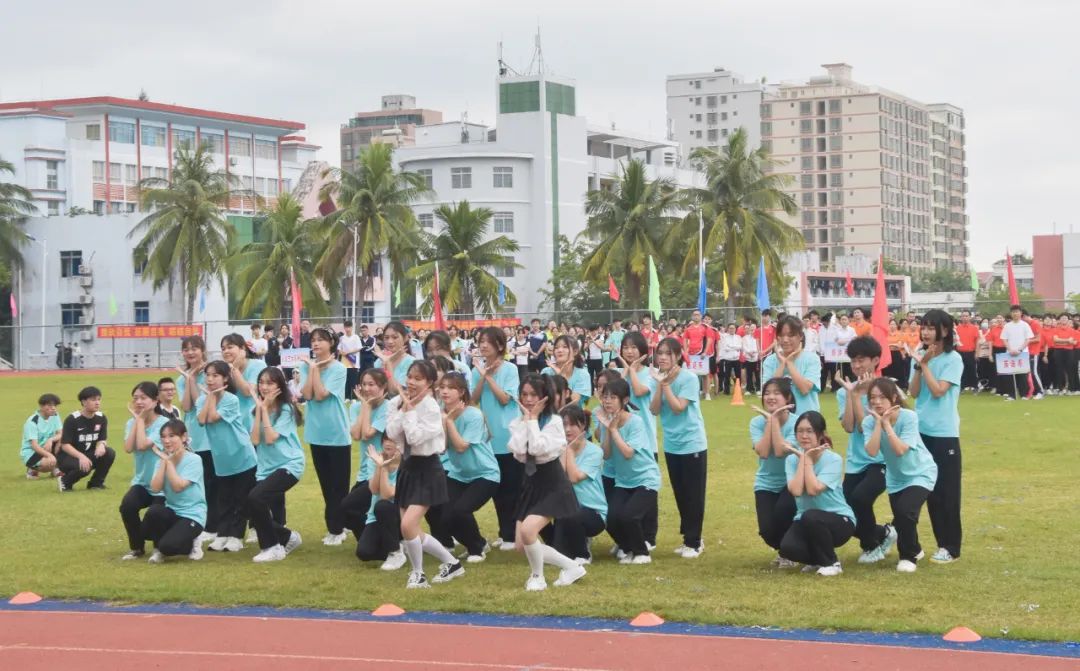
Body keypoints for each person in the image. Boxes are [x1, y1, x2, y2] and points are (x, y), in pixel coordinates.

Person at [386, 360, 463, 588]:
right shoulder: (396, 402)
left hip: (428, 468)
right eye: (410, 377)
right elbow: (391, 433)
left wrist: (409, 413)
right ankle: (452, 563)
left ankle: (418, 574)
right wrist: (404, 409)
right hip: (407, 468)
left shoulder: (431, 408)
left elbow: (414, 438)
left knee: (408, 525)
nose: (412, 382)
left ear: (429, 383)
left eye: (418, 379)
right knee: (410, 529)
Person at [508, 374, 586, 590]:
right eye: (524, 394)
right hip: (531, 483)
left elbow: (536, 449)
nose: (528, 399)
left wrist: (532, 420)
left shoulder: (554, 422)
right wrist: (528, 421)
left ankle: (538, 577)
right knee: (521, 544)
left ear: (545, 397)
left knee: (528, 531)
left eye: (534, 395)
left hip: (553, 484)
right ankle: (572, 567)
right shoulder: (518, 421)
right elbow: (517, 451)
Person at [863, 378, 939, 573]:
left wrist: (887, 425)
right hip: (896, 477)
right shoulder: (869, 422)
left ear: (894, 398)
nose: (877, 402)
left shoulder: (908, 417)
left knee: (906, 511)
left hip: (921, 472)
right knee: (902, 516)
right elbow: (871, 451)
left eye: (882, 397)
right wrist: (878, 424)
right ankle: (916, 549)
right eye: (873, 398)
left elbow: (900, 450)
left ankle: (907, 557)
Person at [908, 308, 963, 564]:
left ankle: (950, 547)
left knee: (947, 492)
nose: (926, 332)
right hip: (922, 431)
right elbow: (914, 392)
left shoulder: (953, 359)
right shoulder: (920, 355)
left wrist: (925, 365)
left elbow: (939, 391)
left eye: (932, 328)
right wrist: (920, 366)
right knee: (929, 491)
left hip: (944, 433)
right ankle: (940, 543)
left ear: (945, 330)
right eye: (924, 327)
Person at [836, 336, 894, 564]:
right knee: (844, 509)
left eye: (861, 360)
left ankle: (870, 546)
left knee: (860, 498)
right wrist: (852, 394)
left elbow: (864, 427)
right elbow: (849, 427)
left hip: (881, 459)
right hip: (856, 460)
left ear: (875, 360)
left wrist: (862, 395)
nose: (857, 365)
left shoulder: (885, 391)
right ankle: (883, 533)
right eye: (853, 361)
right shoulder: (846, 391)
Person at [649, 337, 708, 558]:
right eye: (660, 353)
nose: (663, 357)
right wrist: (660, 384)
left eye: (668, 353)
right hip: (672, 444)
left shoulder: (688, 378)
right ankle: (688, 538)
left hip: (692, 443)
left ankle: (694, 542)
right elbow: (654, 409)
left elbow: (678, 407)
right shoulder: (658, 379)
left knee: (694, 494)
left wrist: (664, 385)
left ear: (677, 355)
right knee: (681, 493)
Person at [778, 411, 855, 576]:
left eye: (810, 431)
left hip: (839, 519)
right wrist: (803, 460)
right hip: (806, 519)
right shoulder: (791, 460)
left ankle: (831, 563)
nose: (804, 436)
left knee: (811, 516)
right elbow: (796, 491)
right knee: (787, 548)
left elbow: (813, 489)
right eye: (800, 431)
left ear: (821, 435)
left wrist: (807, 461)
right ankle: (817, 560)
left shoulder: (833, 459)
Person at [468, 326, 522, 550]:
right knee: (497, 490)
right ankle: (504, 532)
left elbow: (504, 399)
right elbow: (473, 400)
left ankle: (512, 535)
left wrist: (488, 377)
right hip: (489, 439)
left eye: (487, 342)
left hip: (508, 437)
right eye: (480, 341)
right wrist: (482, 376)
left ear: (500, 345)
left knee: (512, 489)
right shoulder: (477, 371)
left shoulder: (510, 369)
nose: (482, 345)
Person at [196, 360, 258, 553]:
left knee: (240, 499)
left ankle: (236, 537)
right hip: (221, 459)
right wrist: (209, 397)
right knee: (224, 499)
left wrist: (211, 397)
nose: (210, 379)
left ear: (225, 379)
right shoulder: (201, 400)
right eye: (208, 375)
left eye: (215, 375)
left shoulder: (231, 400)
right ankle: (222, 534)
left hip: (241, 455)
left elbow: (213, 417)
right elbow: (201, 420)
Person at [598, 377, 661, 565]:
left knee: (629, 516)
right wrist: (608, 429)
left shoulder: (636, 422)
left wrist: (614, 430)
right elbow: (606, 454)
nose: (607, 401)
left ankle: (642, 553)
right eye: (605, 397)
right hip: (623, 481)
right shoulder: (607, 422)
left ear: (625, 400)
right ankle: (628, 548)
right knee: (609, 518)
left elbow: (627, 453)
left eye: (612, 397)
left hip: (645, 479)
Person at [246, 367, 305, 562]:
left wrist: (264, 410)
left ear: (280, 386)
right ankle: (287, 538)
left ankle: (272, 547)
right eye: (261, 382)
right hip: (266, 468)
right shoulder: (256, 409)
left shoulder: (286, 409)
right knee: (256, 506)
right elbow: (255, 440)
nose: (264, 387)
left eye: (270, 383)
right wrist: (260, 410)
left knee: (255, 498)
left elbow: (270, 438)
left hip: (289, 464)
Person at [440, 372, 500, 563]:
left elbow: (460, 446)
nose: (445, 391)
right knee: (444, 515)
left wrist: (449, 422)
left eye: (451, 388)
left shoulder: (473, 414)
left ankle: (476, 549)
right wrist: (444, 421)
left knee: (461, 510)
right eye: (442, 387)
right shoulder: (442, 413)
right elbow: (441, 447)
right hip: (459, 473)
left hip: (485, 474)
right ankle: (479, 542)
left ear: (461, 392)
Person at [300, 327, 352, 546]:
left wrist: (314, 370)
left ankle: (337, 529)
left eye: (321, 340)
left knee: (338, 485)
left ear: (331, 343)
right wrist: (312, 368)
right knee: (325, 484)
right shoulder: (306, 366)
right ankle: (337, 525)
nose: (316, 343)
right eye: (313, 340)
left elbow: (321, 395)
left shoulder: (339, 368)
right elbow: (307, 394)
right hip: (316, 433)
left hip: (336, 433)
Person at [748, 378, 798, 566]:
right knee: (767, 530)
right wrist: (771, 421)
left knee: (784, 511)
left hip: (792, 481)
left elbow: (779, 451)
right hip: (766, 482)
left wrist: (773, 420)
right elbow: (762, 451)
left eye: (777, 393)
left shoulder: (797, 423)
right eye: (767, 393)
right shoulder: (756, 423)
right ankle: (787, 550)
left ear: (788, 398)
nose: (770, 397)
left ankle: (793, 552)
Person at [141, 419, 206, 563]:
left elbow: (178, 487)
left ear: (184, 437)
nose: (166, 441)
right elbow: (155, 488)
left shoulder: (194, 460)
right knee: (154, 512)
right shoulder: (161, 461)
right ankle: (159, 549)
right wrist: (164, 462)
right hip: (173, 510)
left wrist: (168, 463)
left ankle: (193, 541)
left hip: (193, 515)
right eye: (163, 437)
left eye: (171, 436)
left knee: (169, 547)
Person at [341, 368, 391, 549]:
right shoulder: (356, 407)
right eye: (364, 384)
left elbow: (368, 433)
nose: (367, 389)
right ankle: (370, 543)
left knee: (350, 506)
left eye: (372, 384)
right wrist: (364, 406)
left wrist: (367, 406)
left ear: (383, 387)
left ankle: (381, 543)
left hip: (383, 470)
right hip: (365, 471)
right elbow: (356, 435)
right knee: (350, 511)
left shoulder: (389, 407)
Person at [119, 381, 169, 560]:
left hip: (161, 483)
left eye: (143, 398)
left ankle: (159, 549)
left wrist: (139, 420)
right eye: (135, 398)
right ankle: (137, 548)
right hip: (142, 481)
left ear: (155, 401)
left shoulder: (164, 424)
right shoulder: (131, 422)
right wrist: (137, 421)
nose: (138, 402)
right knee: (127, 506)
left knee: (154, 514)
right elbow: (128, 448)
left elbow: (142, 445)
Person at [551, 404, 606, 564]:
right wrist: (565, 449)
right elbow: (557, 480)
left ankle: (583, 554)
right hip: (565, 510)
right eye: (564, 425)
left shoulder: (595, 452)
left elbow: (574, 478)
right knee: (559, 553)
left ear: (582, 425)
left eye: (572, 424)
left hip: (593, 513)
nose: (567, 429)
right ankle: (555, 544)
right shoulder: (557, 449)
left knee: (573, 514)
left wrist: (569, 451)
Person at [175, 336, 216, 544]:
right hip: (193, 436)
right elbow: (187, 406)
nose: (190, 353)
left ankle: (214, 526)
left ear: (203, 350)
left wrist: (194, 378)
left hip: (211, 433)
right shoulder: (182, 379)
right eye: (186, 349)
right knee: (200, 483)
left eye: (194, 348)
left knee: (213, 482)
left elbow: (203, 401)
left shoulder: (212, 374)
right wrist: (190, 378)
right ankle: (205, 523)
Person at [355, 436, 404, 567]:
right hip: (376, 516)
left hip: (400, 514)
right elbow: (374, 489)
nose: (388, 443)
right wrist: (380, 466)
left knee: (382, 506)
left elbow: (386, 495)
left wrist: (384, 468)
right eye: (385, 440)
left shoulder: (406, 465)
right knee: (363, 552)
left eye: (392, 440)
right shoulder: (376, 460)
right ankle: (399, 546)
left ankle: (396, 552)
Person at [57, 386, 114, 492]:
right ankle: (65, 481)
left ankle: (96, 484)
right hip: (68, 457)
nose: (97, 403)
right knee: (84, 466)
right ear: (83, 402)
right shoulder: (72, 419)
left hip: (87, 453)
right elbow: (65, 445)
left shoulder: (101, 418)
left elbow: (102, 438)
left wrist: (101, 445)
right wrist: (81, 457)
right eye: (93, 400)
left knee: (109, 453)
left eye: (99, 399)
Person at [762, 316, 822, 415]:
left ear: (800, 336)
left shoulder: (812, 359)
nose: (785, 340)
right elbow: (769, 392)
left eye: (791, 335)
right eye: (781, 335)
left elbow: (804, 389)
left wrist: (789, 363)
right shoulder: (770, 361)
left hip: (806, 419)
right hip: (779, 419)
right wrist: (782, 364)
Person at [221, 333, 268, 431]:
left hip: (253, 423)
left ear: (242, 349)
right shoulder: (224, 370)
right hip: (233, 424)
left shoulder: (258, 365)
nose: (226, 351)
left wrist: (235, 369)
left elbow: (248, 392)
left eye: (230, 347)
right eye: (223, 349)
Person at [22, 393, 63, 479]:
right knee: (49, 463)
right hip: (32, 453)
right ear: (41, 406)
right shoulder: (33, 421)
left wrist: (51, 440)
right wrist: (49, 456)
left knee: (64, 442)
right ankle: (32, 469)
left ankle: (55, 469)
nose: (53, 408)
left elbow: (61, 433)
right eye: (50, 405)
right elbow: (34, 445)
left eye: (55, 405)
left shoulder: (55, 415)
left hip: (47, 447)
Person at [543, 335, 591, 407]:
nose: (559, 350)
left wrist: (562, 377)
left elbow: (574, 402)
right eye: (556, 348)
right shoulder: (546, 372)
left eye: (565, 347)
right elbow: (544, 399)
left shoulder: (582, 374)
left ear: (575, 351)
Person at [999, 305, 1034, 400]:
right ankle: (1012, 395)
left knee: (1023, 375)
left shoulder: (1025, 325)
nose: (1015, 314)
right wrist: (1010, 349)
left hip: (1022, 353)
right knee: (1009, 376)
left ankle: (1024, 395)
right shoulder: (1007, 326)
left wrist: (1020, 350)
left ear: (1021, 313)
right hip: (1009, 353)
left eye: (1017, 311)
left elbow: (1028, 339)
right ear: (1011, 313)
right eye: (1013, 312)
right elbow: (1004, 339)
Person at [375, 321, 416, 397]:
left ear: (405, 338)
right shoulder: (378, 361)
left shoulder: (412, 362)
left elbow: (394, 391)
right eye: (386, 338)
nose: (390, 341)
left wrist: (388, 363)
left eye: (395, 337)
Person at [682, 310, 712, 400]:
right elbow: (685, 340)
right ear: (692, 316)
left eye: (698, 315)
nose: (696, 316)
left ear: (701, 316)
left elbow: (709, 340)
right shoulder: (688, 328)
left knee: (705, 374)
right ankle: (694, 392)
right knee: (692, 374)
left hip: (702, 354)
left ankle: (707, 393)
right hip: (691, 354)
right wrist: (685, 351)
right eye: (694, 315)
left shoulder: (705, 327)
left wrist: (705, 351)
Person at [338, 320, 363, 400]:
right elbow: (339, 349)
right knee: (346, 381)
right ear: (344, 328)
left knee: (354, 381)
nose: (347, 329)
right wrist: (342, 353)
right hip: (344, 362)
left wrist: (348, 353)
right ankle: (347, 397)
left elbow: (359, 348)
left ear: (352, 327)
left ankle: (355, 398)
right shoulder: (342, 338)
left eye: (349, 327)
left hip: (353, 362)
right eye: (346, 327)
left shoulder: (356, 337)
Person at [955, 311, 979, 391]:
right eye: (963, 316)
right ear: (961, 318)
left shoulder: (974, 328)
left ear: (970, 317)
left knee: (972, 370)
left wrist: (977, 352)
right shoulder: (957, 328)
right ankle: (961, 386)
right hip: (960, 352)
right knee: (961, 370)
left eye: (966, 316)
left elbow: (977, 341)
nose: (965, 318)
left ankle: (975, 386)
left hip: (971, 352)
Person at [718, 323, 742, 395]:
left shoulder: (738, 337)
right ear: (728, 329)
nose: (732, 330)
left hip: (736, 359)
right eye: (730, 328)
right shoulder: (725, 338)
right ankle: (726, 391)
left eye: (733, 328)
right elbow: (726, 348)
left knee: (738, 375)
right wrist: (735, 347)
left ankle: (738, 389)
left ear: (735, 329)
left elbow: (740, 347)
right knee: (727, 375)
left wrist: (731, 346)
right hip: (728, 359)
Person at [741, 320, 761, 393]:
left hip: (756, 358)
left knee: (757, 374)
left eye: (754, 329)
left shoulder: (759, 338)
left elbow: (759, 347)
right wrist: (749, 352)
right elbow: (744, 347)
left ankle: (758, 388)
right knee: (748, 374)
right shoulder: (745, 338)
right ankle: (749, 389)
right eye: (751, 329)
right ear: (749, 330)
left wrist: (755, 352)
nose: (753, 331)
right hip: (748, 358)